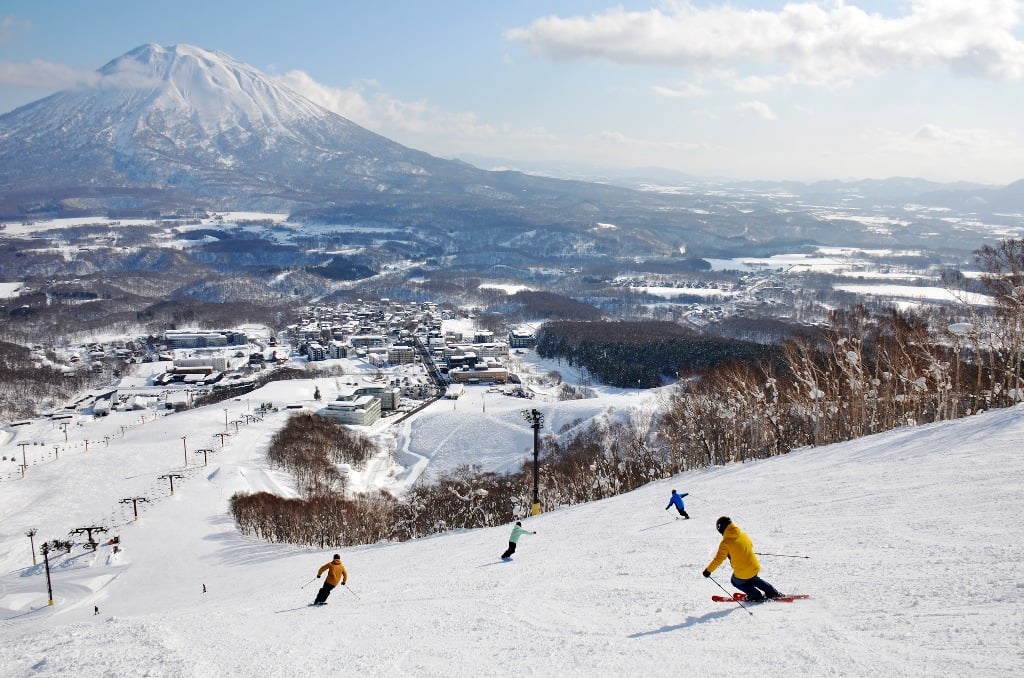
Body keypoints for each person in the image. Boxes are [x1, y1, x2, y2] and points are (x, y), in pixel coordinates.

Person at [702, 516, 781, 602]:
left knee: (735, 581)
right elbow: (750, 545)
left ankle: (755, 595)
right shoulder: (743, 534)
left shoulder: (726, 543)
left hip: (743, 572)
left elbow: (718, 559)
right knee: (753, 579)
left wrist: (708, 570)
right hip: (755, 566)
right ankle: (772, 592)